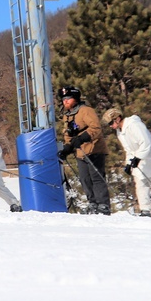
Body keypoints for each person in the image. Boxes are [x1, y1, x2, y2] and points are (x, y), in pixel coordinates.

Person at [102, 108, 151, 218]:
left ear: (118, 118)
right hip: (140, 164)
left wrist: (138, 157)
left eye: (111, 123)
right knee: (141, 186)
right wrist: (129, 163)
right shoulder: (120, 132)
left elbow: (146, 142)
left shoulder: (134, 125)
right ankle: (145, 210)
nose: (110, 126)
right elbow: (128, 149)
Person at [56, 85, 111, 215]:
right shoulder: (67, 115)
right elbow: (68, 134)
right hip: (80, 152)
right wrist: (67, 148)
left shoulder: (86, 111)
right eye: (64, 99)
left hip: (94, 149)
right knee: (85, 179)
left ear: (75, 98)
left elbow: (96, 129)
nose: (66, 101)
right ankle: (92, 203)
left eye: (68, 98)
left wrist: (82, 138)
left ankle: (103, 205)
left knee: (96, 178)